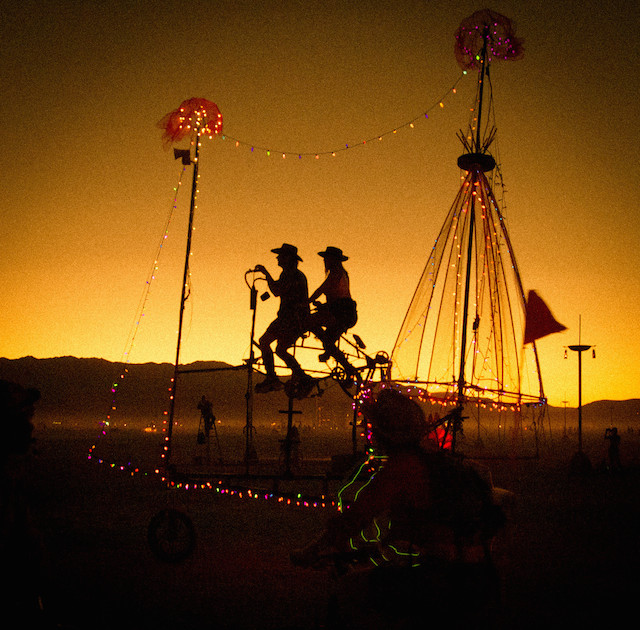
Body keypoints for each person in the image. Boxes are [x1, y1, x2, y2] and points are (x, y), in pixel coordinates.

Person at [291, 388, 504, 629]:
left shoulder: (401, 467)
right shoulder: (436, 460)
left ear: (385, 433)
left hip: (441, 578)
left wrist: (312, 550)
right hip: (479, 576)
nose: (367, 433)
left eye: (371, 428)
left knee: (350, 591)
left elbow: (354, 520)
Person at [254, 243, 311, 393]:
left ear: (288, 259)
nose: (278, 258)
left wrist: (266, 273)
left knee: (264, 341)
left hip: (289, 319)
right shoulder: (297, 275)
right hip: (298, 321)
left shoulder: (289, 274)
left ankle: (272, 378)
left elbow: (276, 290)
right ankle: (302, 377)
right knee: (280, 349)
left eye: (281, 256)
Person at [307, 246, 358, 382]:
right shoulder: (342, 273)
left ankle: (345, 365)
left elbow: (323, 289)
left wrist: (307, 301)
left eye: (326, 258)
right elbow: (337, 296)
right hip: (344, 312)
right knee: (328, 342)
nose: (324, 260)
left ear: (333, 260)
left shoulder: (335, 273)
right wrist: (322, 305)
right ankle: (345, 366)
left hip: (342, 313)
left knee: (310, 321)